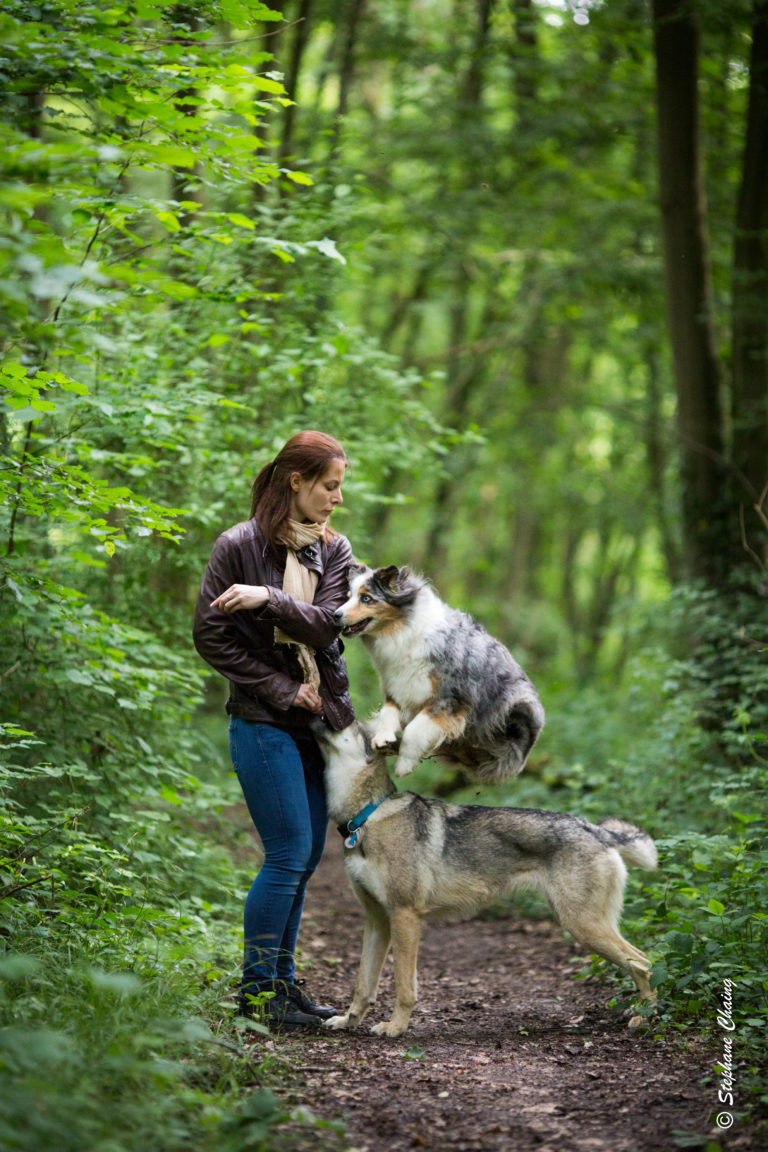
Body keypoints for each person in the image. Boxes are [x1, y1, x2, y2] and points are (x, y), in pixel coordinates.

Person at [193, 431, 355, 1031]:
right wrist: (283, 688)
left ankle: (281, 987)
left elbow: (328, 629)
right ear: (297, 481)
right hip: (263, 721)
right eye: (329, 486)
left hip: (320, 723)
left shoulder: (333, 552)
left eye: (340, 488)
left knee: (308, 855)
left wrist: (267, 598)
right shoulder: (237, 544)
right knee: (287, 855)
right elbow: (210, 636)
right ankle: (257, 995)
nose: (337, 499)